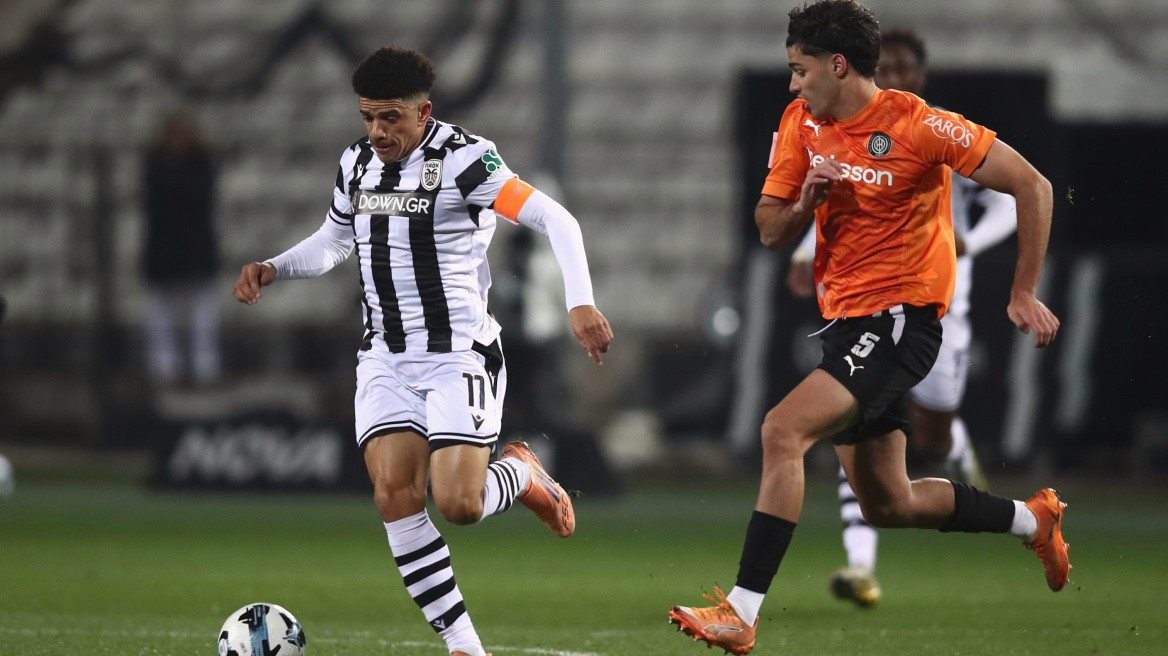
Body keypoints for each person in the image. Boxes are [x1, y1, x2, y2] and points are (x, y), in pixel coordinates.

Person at [668, 2, 1066, 653]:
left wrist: (1022, 291)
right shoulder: (800, 124)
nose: (792, 84)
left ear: (837, 65)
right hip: (847, 323)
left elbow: (1034, 187)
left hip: (903, 320)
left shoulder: (919, 124)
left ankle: (741, 612)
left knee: (781, 430)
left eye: (800, 70)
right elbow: (768, 230)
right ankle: (1033, 520)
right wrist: (806, 202)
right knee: (890, 504)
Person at [232, 46, 613, 656]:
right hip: (384, 357)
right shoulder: (356, 163)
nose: (377, 132)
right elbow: (334, 241)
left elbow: (557, 220)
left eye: (390, 118)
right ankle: (464, 646)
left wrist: (581, 303)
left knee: (459, 504)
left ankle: (521, 474)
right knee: (394, 494)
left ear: (423, 112)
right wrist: (274, 267)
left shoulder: (466, 160)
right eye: (367, 117)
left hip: (458, 355)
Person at [786, 27, 1021, 607]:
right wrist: (801, 251)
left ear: (919, 74)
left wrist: (972, 244)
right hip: (866, 311)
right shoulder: (838, 125)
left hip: (935, 310)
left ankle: (967, 460)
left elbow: (1015, 196)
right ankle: (859, 566)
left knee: (930, 437)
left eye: (901, 68)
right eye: (883, 66)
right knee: (843, 425)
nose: (891, 76)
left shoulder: (933, 129)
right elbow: (844, 201)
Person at [142, 112, 222, 385]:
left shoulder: (200, 165)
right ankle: (163, 368)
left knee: (201, 313)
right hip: (164, 249)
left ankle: (204, 368)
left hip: (194, 249)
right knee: (161, 314)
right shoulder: (156, 165)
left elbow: (199, 202)